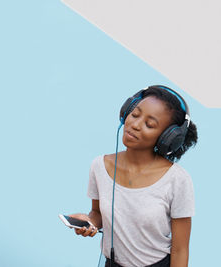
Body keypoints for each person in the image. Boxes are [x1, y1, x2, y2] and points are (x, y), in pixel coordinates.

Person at [70, 85, 198, 267]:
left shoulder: (177, 179)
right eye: (135, 114)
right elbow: (98, 214)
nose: (135, 125)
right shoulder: (99, 166)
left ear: (167, 138)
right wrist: (89, 221)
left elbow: (180, 250)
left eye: (150, 124)